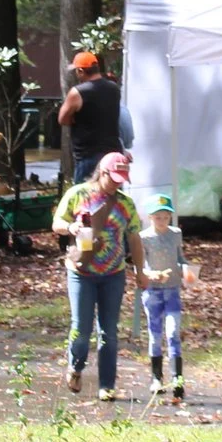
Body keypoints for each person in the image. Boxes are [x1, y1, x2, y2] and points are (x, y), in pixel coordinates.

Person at [54, 151, 140, 399]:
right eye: (113, 179)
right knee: (81, 329)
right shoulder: (78, 194)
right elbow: (57, 223)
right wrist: (71, 227)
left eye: (121, 180)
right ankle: (75, 366)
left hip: (114, 273)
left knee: (109, 332)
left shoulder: (125, 204)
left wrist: (140, 271)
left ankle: (107, 385)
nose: (117, 184)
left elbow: (134, 238)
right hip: (81, 272)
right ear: (102, 173)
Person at [137, 192, 191, 404]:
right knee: (155, 334)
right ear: (150, 217)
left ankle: (177, 379)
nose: (162, 221)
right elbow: (140, 267)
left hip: (172, 290)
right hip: (153, 291)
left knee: (173, 331)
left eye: (166, 217)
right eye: (158, 217)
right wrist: (151, 275)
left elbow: (180, 257)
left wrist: (186, 269)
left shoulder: (175, 234)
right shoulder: (144, 238)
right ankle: (156, 377)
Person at [56, 51, 123, 184]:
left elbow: (62, 119)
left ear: (81, 71)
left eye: (76, 71)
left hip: (88, 156)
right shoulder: (114, 89)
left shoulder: (78, 92)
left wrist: (75, 118)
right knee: (110, 194)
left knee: (86, 195)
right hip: (112, 154)